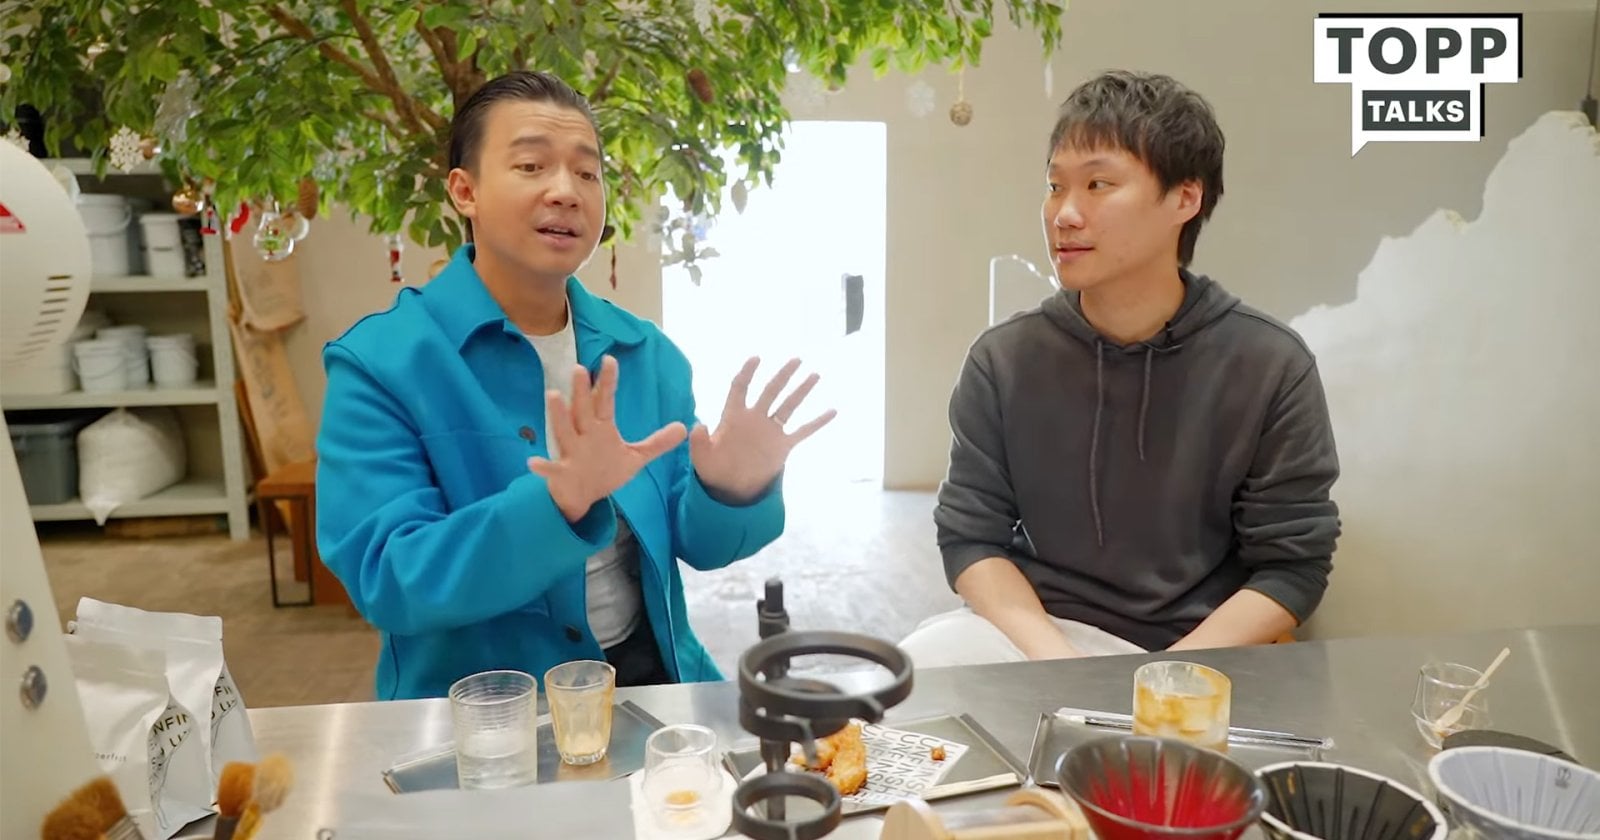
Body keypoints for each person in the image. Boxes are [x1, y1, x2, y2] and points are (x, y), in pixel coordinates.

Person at [316, 71, 835, 700]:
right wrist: (557, 502)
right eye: (531, 166)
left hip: (654, 684)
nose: (566, 191)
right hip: (484, 709)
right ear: (464, 191)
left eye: (587, 173)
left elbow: (700, 544)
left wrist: (731, 486)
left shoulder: (644, 354)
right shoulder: (381, 363)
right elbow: (388, 579)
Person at [900, 70, 1340, 667]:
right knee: (906, 680)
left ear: (1185, 198)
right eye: (1055, 186)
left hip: (1198, 651)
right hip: (1040, 633)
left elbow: (1292, 565)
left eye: (1098, 184)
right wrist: (1063, 663)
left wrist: (1159, 678)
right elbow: (971, 537)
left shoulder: (1271, 364)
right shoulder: (1003, 360)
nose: (1064, 214)